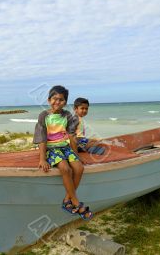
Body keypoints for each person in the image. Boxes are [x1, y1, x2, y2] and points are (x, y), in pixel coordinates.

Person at [33, 85, 94, 220]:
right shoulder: (44, 116)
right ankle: (76, 202)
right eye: (54, 99)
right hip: (51, 149)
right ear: (49, 100)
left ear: (65, 102)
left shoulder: (67, 115)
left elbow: (72, 136)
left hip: (65, 148)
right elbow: (42, 139)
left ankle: (67, 200)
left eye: (61, 100)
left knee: (79, 167)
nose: (57, 102)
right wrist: (42, 159)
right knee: (66, 169)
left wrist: (76, 154)